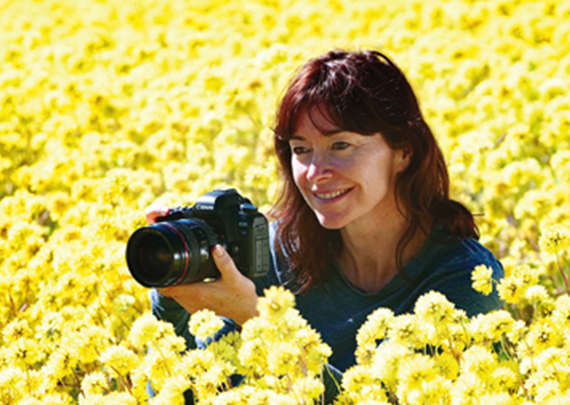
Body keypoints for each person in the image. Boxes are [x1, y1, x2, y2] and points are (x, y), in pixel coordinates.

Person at [147, 49, 504, 400]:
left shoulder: (464, 278)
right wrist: (171, 299)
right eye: (301, 150)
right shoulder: (271, 254)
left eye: (341, 145)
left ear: (404, 151)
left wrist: (254, 317)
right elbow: (185, 392)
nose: (316, 173)